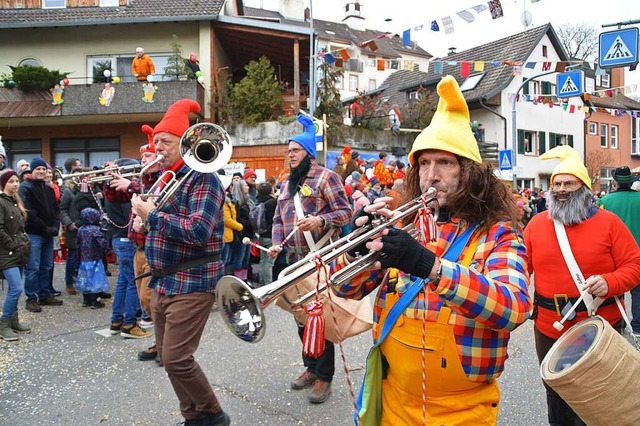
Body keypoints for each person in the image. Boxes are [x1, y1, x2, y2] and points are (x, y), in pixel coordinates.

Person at [331, 75, 531, 425]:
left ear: (470, 173)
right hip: (394, 400)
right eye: (423, 163)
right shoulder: (403, 225)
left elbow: (512, 308)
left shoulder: (498, 234)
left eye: (445, 163)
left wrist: (430, 266)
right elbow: (344, 287)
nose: (431, 175)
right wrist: (356, 252)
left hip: (462, 410)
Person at [130, 99, 231, 426]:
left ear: (185, 143)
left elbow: (199, 231)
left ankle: (213, 414)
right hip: (163, 281)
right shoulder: (168, 179)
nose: (157, 147)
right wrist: (144, 224)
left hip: (192, 282)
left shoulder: (204, 179)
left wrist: (153, 216)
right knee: (167, 357)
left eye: (165, 142)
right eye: (156, 141)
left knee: (176, 358)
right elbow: (166, 225)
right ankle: (193, 417)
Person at [524, 146, 640, 425]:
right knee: (556, 392)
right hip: (550, 327)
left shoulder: (610, 224)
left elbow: (635, 266)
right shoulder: (537, 225)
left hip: (599, 326)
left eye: (569, 183)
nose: (562, 190)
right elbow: (518, 269)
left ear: (584, 188)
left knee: (600, 393)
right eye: (557, 184)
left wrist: (610, 282)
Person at [267, 113, 352, 404]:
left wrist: (320, 221)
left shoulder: (328, 178)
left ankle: (325, 377)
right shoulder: (286, 183)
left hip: (321, 257)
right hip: (294, 260)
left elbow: (346, 213)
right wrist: (277, 244)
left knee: (321, 317)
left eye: (295, 150)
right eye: (288, 150)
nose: (290, 155)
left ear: (308, 153)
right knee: (301, 318)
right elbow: (279, 219)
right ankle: (310, 367)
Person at [103, 157, 151, 339]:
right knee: (133, 282)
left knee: (124, 281)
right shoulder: (120, 189)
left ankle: (116, 321)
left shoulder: (113, 187)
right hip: (125, 238)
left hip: (118, 238)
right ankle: (130, 323)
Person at [19, 157, 62, 313]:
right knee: (33, 267)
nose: (41, 171)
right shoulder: (25, 187)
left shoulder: (49, 189)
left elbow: (56, 209)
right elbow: (29, 213)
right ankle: (31, 298)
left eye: (43, 169)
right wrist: (46, 228)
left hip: (48, 233)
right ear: (32, 170)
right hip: (34, 233)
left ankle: (44, 294)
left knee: (47, 266)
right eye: (38, 169)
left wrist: (56, 225)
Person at [0, 170, 32, 341]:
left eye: (17, 181)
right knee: (17, 288)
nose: (15, 184)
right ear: (4, 183)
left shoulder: (14, 202)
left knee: (15, 289)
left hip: (19, 252)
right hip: (7, 253)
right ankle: (3, 324)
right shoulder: (1, 202)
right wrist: (13, 245)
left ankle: (13, 320)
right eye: (11, 181)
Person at [75, 207, 110, 309]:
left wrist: (78, 255)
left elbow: (78, 244)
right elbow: (102, 242)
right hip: (95, 258)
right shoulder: (95, 230)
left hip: (84, 259)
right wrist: (107, 251)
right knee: (96, 279)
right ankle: (96, 301)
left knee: (85, 279)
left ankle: (86, 300)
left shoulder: (81, 229)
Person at [255, 182, 277, 286]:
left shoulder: (257, 201)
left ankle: (262, 282)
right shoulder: (272, 202)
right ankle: (268, 285)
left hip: (261, 234)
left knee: (263, 260)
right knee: (269, 262)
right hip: (271, 234)